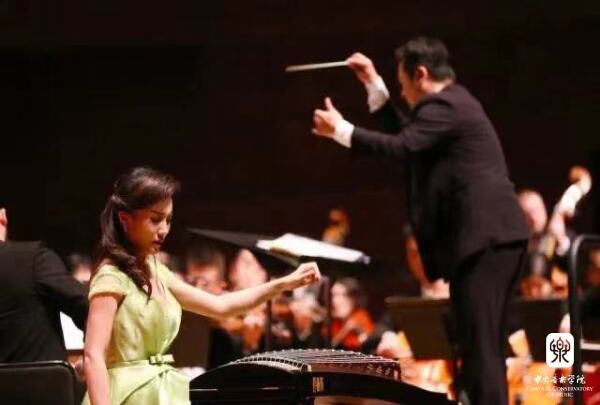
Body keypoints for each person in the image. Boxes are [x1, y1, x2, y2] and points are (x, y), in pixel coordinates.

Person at [311, 37, 529, 404]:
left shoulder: (446, 104)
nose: (402, 93)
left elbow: (403, 147)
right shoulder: (452, 106)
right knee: (478, 347)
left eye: (401, 85)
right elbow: (411, 143)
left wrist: (341, 131)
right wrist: (373, 83)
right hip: (490, 241)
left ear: (421, 75)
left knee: (481, 349)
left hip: (486, 241)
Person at [83, 167, 321, 404]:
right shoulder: (111, 276)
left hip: (162, 391)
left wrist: (283, 284)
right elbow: (93, 355)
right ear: (125, 219)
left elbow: (220, 306)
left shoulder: (156, 270)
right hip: (125, 395)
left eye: (168, 220)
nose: (164, 229)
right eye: (155, 220)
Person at [0, 208, 88, 363]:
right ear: (2, 215)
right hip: (39, 378)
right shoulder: (33, 258)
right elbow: (87, 306)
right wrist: (93, 353)